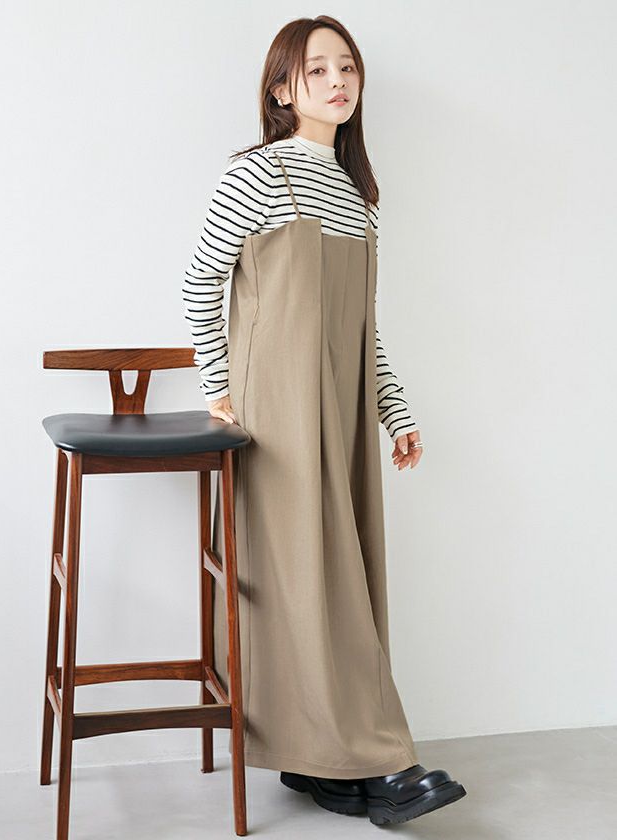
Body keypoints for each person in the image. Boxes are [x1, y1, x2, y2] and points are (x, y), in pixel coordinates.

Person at [182, 15, 466, 827]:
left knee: (342, 581)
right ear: (282, 89)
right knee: (312, 585)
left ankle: (326, 766)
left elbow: (363, 329)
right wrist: (218, 386)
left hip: (340, 413)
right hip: (276, 415)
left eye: (348, 67)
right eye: (318, 70)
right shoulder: (255, 175)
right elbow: (201, 283)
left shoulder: (356, 196)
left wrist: (394, 411)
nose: (339, 81)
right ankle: (388, 766)